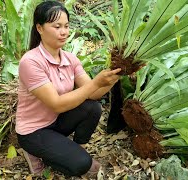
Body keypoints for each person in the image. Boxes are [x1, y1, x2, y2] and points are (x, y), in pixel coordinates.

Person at [16, 0, 121, 177]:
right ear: (40, 28)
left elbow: (94, 94)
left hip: (56, 121)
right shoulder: (30, 62)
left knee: (92, 108)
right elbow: (56, 104)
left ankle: (74, 150)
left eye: (66, 26)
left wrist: (118, 74)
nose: (64, 32)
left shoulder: (70, 59)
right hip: (33, 131)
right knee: (81, 165)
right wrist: (96, 82)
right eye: (57, 26)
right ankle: (37, 153)